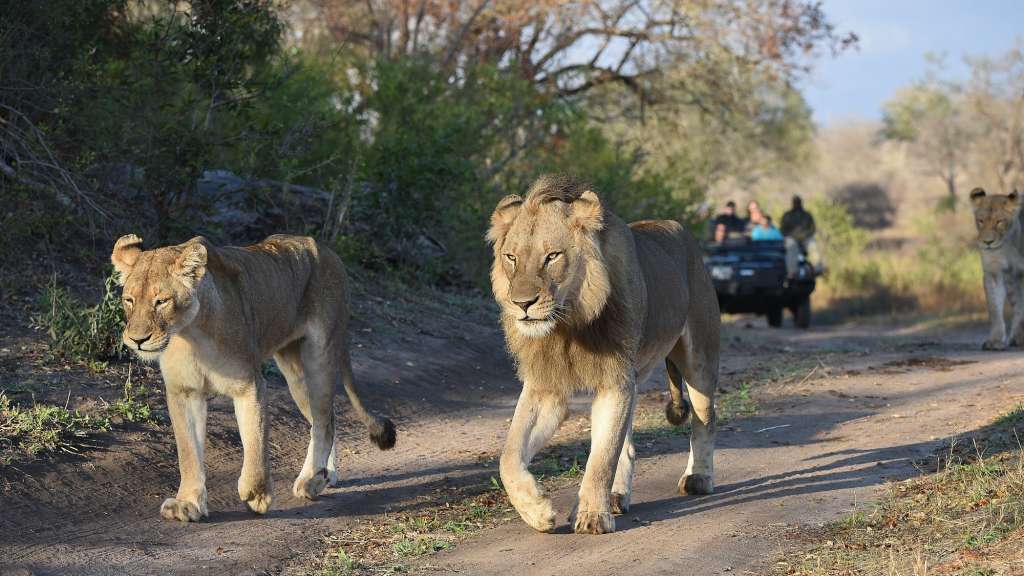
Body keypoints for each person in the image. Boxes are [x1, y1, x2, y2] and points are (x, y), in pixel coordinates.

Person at [780, 195, 823, 277]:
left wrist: (805, 235)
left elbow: (812, 228)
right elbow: (783, 230)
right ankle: (792, 272)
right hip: (791, 238)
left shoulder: (806, 215)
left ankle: (818, 268)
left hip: (805, 237)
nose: (797, 204)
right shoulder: (787, 215)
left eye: (798, 202)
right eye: (795, 202)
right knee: (791, 247)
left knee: (812, 244)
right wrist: (792, 235)